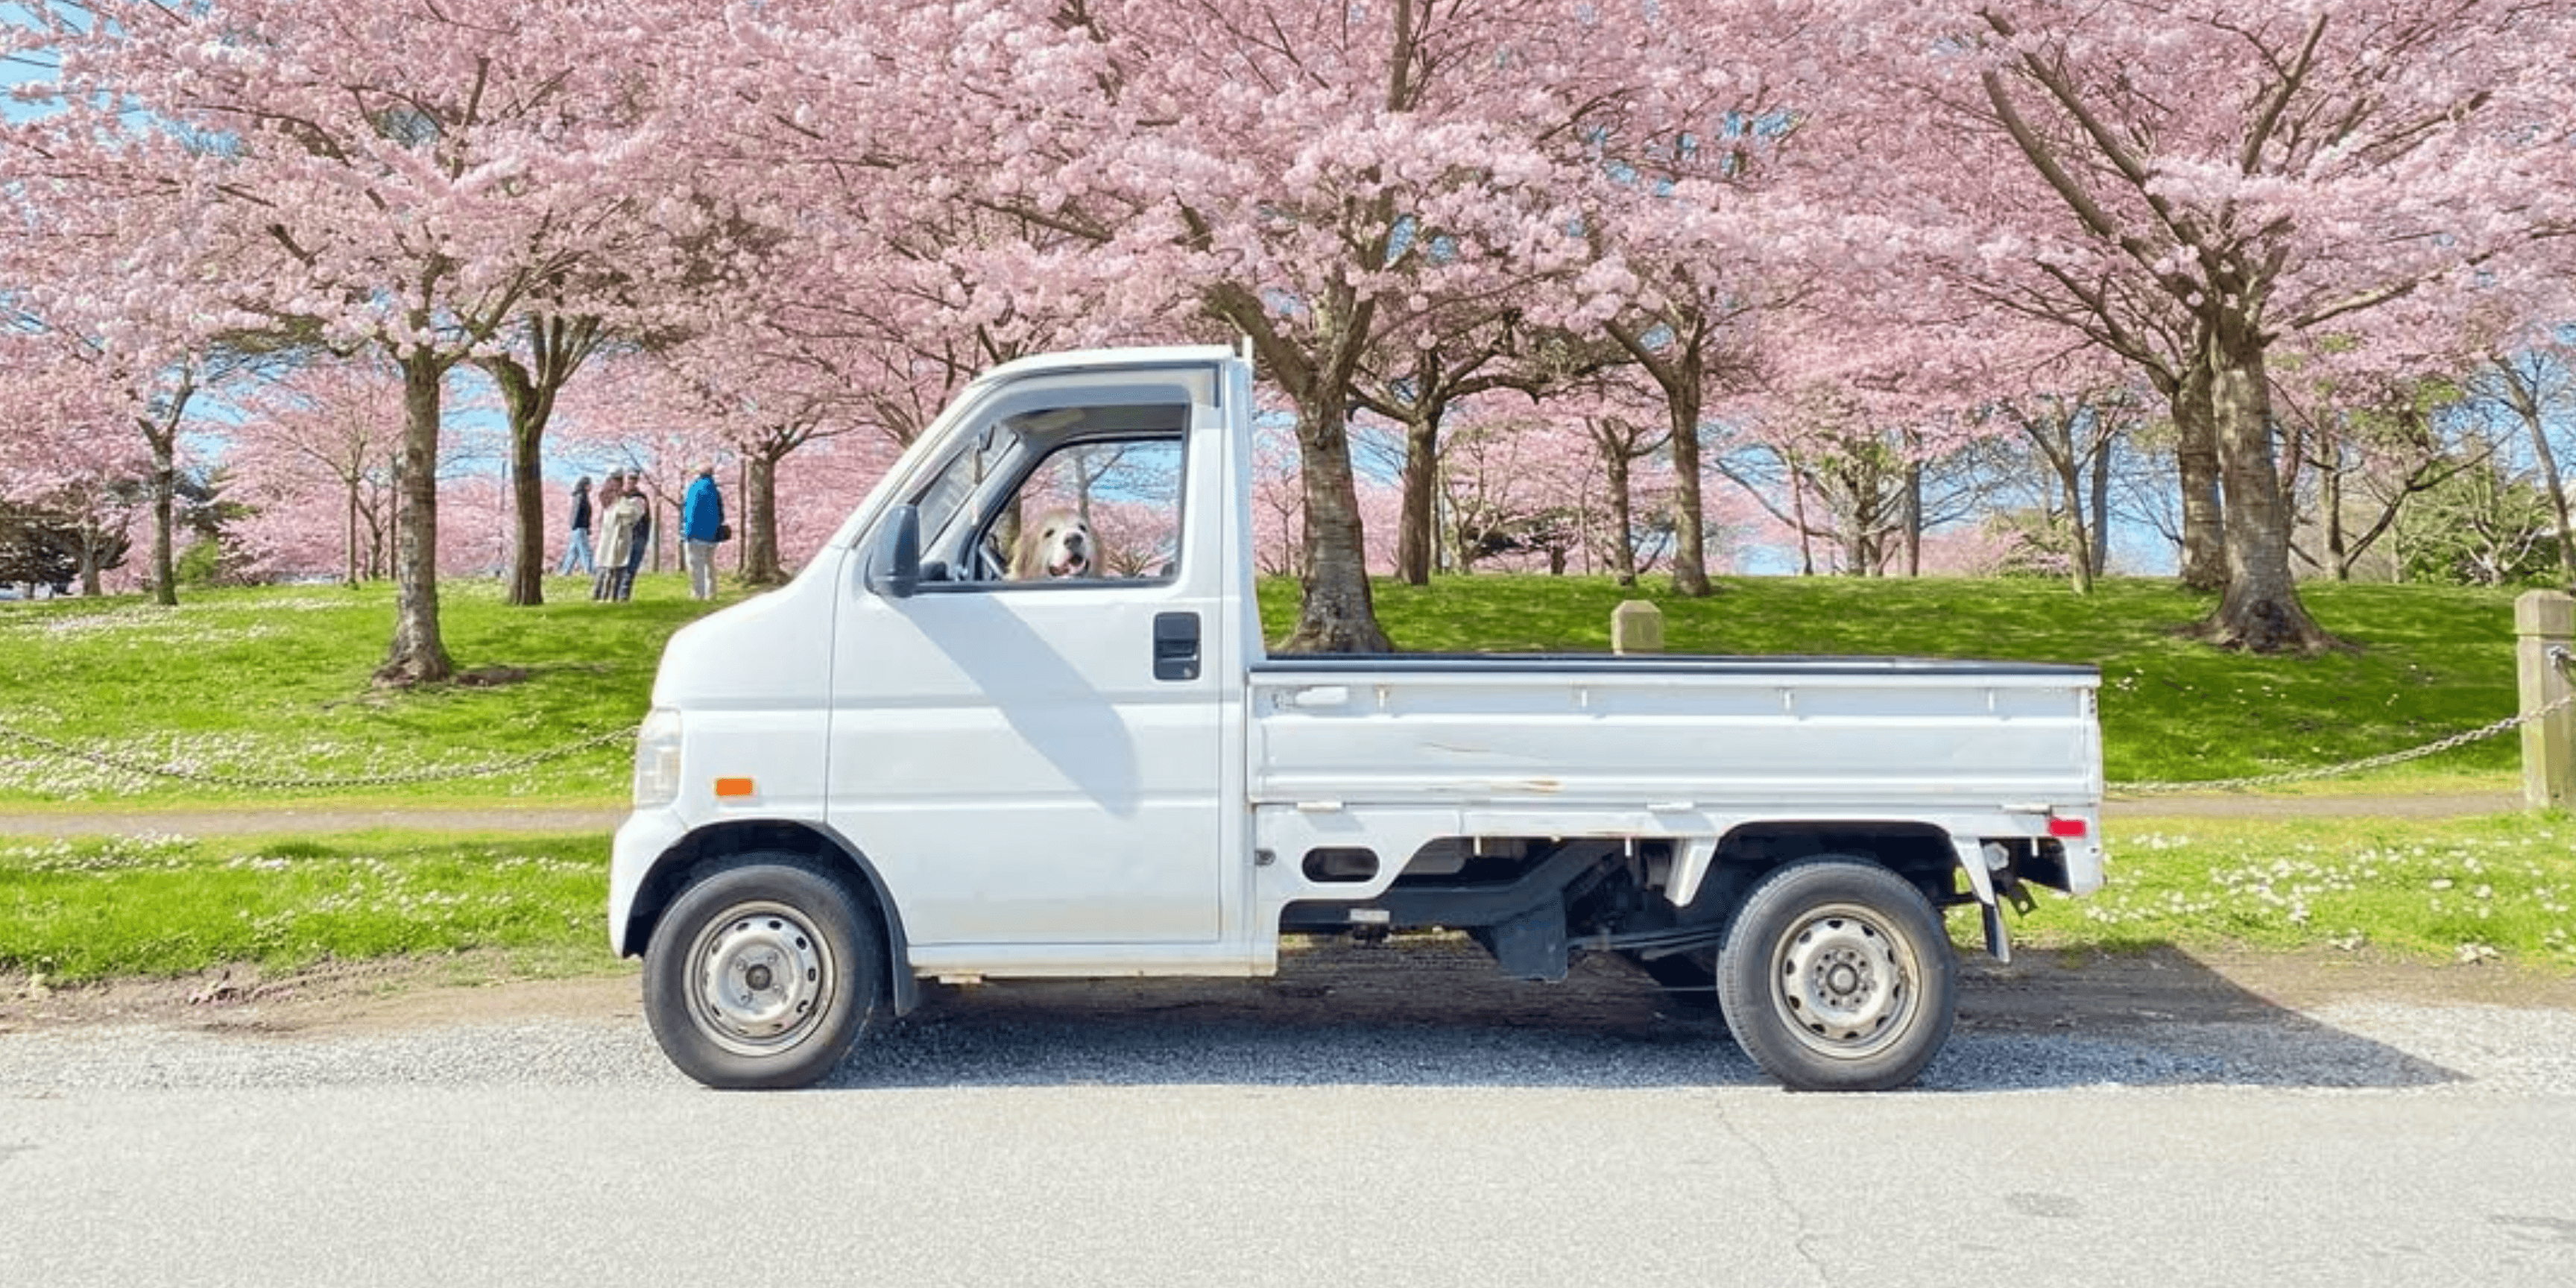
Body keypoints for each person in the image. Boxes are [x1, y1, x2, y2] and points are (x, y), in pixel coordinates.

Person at [596, 480, 649, 602]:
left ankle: (607, 596)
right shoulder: (620, 505)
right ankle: (613, 596)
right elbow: (634, 515)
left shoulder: (611, 506)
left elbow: (634, 515)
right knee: (617, 570)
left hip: (614, 541)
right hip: (618, 540)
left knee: (612, 569)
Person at [681, 463, 725, 601]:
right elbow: (721, 514)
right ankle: (712, 593)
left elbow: (690, 511)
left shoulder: (695, 488)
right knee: (709, 565)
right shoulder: (715, 490)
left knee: (696, 566)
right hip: (712, 535)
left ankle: (698, 595)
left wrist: (687, 532)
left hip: (696, 534)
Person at [613, 473, 653, 602]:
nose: (630, 484)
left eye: (632, 481)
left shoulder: (639, 498)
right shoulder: (622, 497)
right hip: (628, 536)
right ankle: (619, 594)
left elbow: (636, 516)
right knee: (624, 566)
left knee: (630, 566)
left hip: (637, 535)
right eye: (628, 481)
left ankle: (623, 594)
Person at [556, 476, 596, 575]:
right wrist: (579, 526)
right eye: (590, 484)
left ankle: (565, 571)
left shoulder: (581, 496)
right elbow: (578, 513)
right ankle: (590, 571)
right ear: (585, 486)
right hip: (579, 527)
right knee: (585, 550)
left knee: (573, 552)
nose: (592, 486)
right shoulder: (581, 496)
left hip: (578, 527)